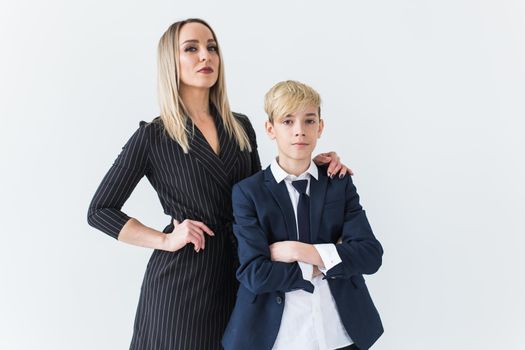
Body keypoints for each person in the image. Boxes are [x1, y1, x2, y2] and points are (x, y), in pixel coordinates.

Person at [87, 19, 349, 350]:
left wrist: (312, 163)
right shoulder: (152, 137)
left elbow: (263, 197)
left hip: (243, 273)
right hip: (183, 285)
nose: (205, 56)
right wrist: (166, 240)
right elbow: (99, 210)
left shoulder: (239, 126)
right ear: (172, 61)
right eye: (191, 49)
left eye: (211, 47)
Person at [222, 80, 383, 350]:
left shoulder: (338, 182)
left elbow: (370, 255)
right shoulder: (248, 193)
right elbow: (254, 273)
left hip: (341, 332)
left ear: (320, 127)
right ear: (270, 129)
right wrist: (327, 262)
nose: (299, 131)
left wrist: (297, 250)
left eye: (309, 121)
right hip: (278, 336)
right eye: (288, 121)